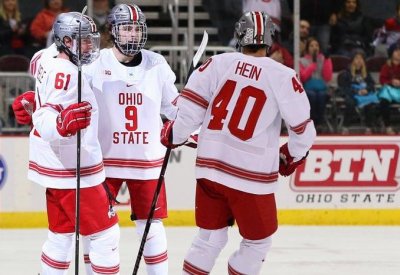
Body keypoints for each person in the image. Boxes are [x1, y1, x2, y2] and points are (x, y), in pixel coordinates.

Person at [161, 11, 316, 274]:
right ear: (269, 39)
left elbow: (187, 116)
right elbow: (303, 131)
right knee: (257, 243)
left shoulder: (216, 63)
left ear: (239, 35)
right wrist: (291, 154)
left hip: (209, 171)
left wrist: (173, 135)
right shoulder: (282, 74)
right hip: (250, 177)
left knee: (210, 238)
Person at [83, 4, 179, 274]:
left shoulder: (157, 63)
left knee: (152, 227)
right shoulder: (95, 62)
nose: (133, 34)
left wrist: (185, 123)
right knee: (96, 227)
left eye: (137, 28)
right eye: (126, 28)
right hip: (104, 161)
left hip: (146, 159)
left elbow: (172, 107)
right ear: (113, 31)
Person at [29, 12, 120, 274]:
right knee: (106, 236)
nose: (90, 46)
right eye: (82, 41)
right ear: (65, 41)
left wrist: (33, 102)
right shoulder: (67, 74)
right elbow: (46, 114)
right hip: (72, 169)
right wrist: (59, 124)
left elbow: (40, 102)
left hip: (54, 165)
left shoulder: (47, 58)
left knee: (60, 236)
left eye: (91, 40)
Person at [337, 50, 379, 134]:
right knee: (350, 103)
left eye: (361, 58)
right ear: (352, 60)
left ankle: (369, 127)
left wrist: (366, 90)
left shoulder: (366, 73)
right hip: (352, 95)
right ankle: (346, 126)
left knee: (371, 103)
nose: (359, 60)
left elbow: (371, 84)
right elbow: (345, 87)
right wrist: (356, 91)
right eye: (357, 58)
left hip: (365, 94)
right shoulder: (346, 73)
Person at [378, 42, 400, 134]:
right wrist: (391, 82)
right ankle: (388, 126)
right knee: (383, 102)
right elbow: (382, 80)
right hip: (390, 91)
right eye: (396, 51)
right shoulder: (386, 66)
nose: (399, 53)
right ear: (391, 53)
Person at [299, 37, 333, 131]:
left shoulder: (323, 59)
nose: (315, 47)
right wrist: (313, 64)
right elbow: (304, 77)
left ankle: (320, 122)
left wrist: (327, 60)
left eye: (316, 45)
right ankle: (312, 121)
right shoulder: (301, 60)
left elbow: (327, 77)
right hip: (308, 89)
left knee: (321, 95)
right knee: (312, 95)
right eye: (312, 45)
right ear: (307, 48)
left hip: (322, 88)